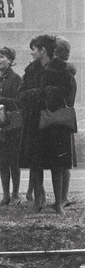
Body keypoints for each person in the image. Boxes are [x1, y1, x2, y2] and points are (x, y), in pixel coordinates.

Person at [17, 34, 74, 215]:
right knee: (36, 163)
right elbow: (21, 95)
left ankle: (58, 203)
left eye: (34, 49)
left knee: (57, 163)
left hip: (54, 123)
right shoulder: (31, 70)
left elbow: (67, 93)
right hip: (34, 123)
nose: (32, 53)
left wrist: (45, 93)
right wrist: (36, 94)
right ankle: (39, 199)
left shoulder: (62, 70)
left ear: (43, 51)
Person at [0, 47, 22, 206]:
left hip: (13, 124)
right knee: (3, 161)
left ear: (10, 60)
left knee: (14, 161)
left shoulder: (16, 79)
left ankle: (16, 194)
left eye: (1, 56)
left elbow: (19, 101)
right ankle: (5, 194)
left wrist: (1, 99)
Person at [55, 36, 77, 207]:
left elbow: (67, 98)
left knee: (63, 161)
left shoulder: (66, 74)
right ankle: (61, 197)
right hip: (62, 118)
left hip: (61, 118)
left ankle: (63, 197)